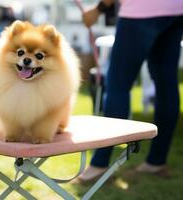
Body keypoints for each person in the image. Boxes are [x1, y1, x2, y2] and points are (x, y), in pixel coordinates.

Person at [77, 0, 183, 183]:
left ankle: (99, 165)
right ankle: (156, 162)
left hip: (140, 11)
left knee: (118, 84)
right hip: (176, 10)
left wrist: (98, 9)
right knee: (167, 83)